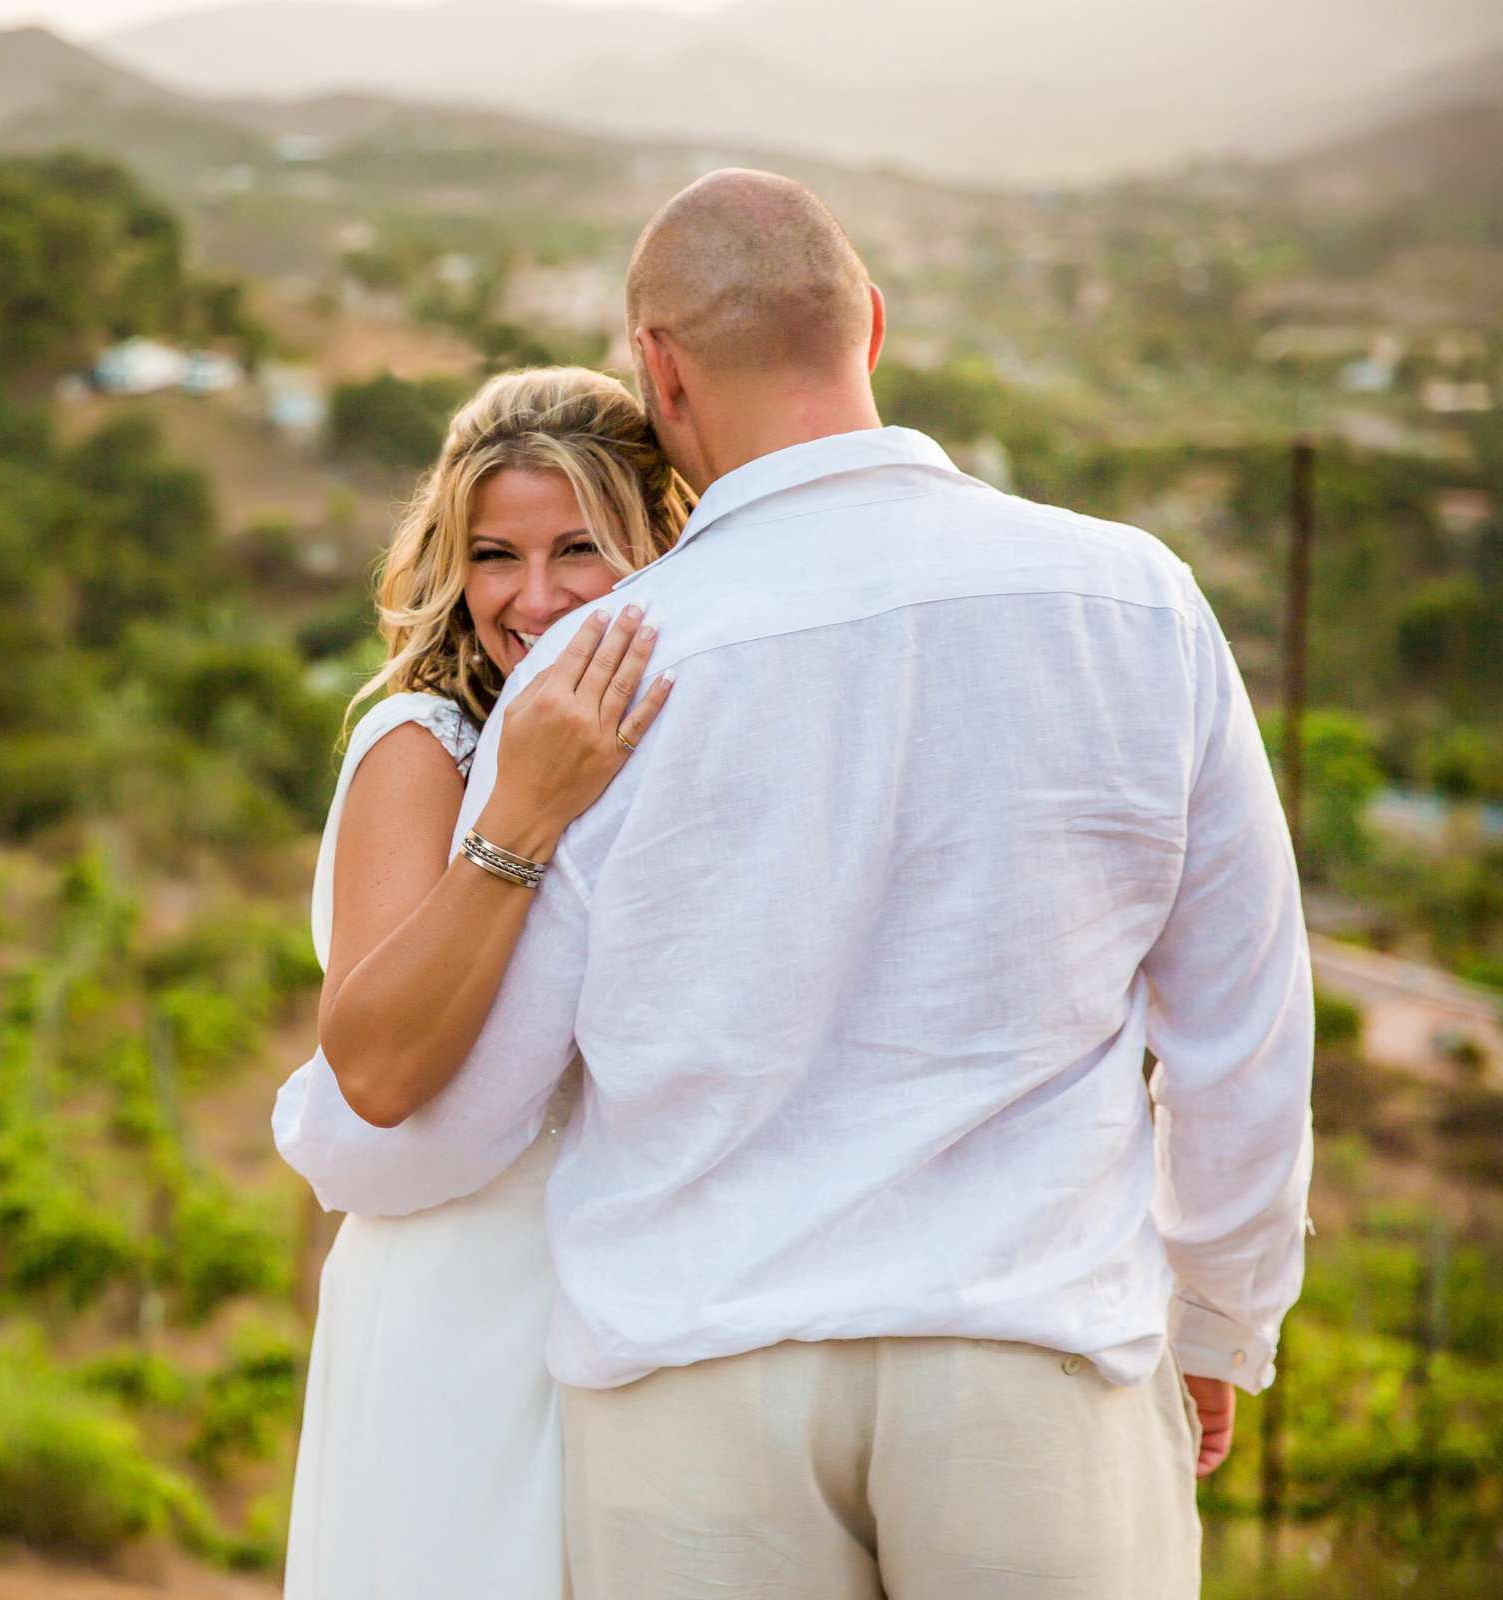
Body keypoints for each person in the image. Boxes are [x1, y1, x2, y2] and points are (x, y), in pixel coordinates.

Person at [276, 170, 1313, 1599]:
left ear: (660, 368)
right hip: (1031, 1351)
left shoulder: (600, 678)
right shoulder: (1134, 600)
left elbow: (483, 1094)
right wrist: (1215, 1320)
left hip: (695, 1391)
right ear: (870, 325)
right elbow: (1243, 1028)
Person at [279, 366, 691, 1600]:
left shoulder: (680, 715)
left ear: (658, 540)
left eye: (580, 547)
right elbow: (382, 1064)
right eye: (494, 554)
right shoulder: (423, 743)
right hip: (464, 1293)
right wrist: (527, 807)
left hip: (650, 1284)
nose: (535, 596)